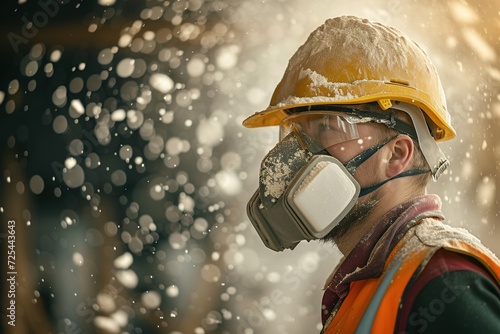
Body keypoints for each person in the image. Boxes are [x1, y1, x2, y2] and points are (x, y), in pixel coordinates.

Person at [242, 16, 500, 333]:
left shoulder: (444, 282)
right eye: (295, 132)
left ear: (397, 154)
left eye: (326, 127)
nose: (299, 153)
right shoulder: (368, 282)